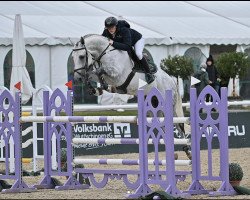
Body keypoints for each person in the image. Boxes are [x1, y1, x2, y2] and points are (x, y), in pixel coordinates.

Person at [102, 16, 155, 84]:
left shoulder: (124, 30)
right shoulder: (106, 31)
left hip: (137, 40)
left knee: (138, 53)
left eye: (112, 27)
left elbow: (127, 46)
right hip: (125, 42)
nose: (110, 30)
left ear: (116, 26)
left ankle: (149, 74)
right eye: (109, 28)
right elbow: (102, 40)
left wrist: (114, 43)